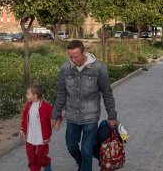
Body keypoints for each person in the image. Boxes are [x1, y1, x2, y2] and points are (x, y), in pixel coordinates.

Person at [51, 40, 117, 171]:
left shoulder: (98, 68)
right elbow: (61, 94)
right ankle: (82, 165)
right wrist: (55, 114)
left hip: (90, 117)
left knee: (86, 151)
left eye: (76, 56)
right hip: (72, 116)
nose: (73, 60)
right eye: (71, 57)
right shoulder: (65, 69)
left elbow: (107, 94)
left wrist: (112, 115)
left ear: (84, 52)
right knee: (71, 146)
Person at [20, 83, 53, 171]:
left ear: (35, 95)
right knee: (31, 158)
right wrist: (22, 129)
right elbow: (24, 118)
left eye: (28, 94)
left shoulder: (45, 106)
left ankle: (47, 165)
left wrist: (57, 121)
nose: (26, 95)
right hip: (30, 138)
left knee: (41, 157)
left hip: (41, 138)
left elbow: (54, 115)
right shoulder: (28, 106)